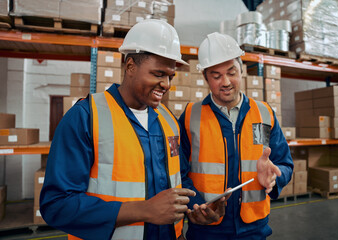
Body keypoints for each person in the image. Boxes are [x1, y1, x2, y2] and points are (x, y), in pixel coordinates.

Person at [40, 20, 225, 240]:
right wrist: (143, 210)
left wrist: (198, 207)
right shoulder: (86, 117)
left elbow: (180, 179)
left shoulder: (168, 120)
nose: (166, 84)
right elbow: (57, 204)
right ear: (130, 66)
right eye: (158, 74)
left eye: (170, 77)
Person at [179, 32, 294, 239]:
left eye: (232, 72)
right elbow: (178, 171)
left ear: (242, 71)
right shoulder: (190, 117)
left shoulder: (263, 114)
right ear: (205, 77)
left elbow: (284, 163)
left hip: (254, 228)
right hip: (207, 228)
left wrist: (276, 178)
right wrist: (195, 206)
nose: (226, 82)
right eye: (216, 76)